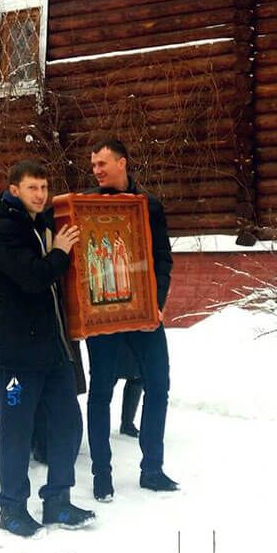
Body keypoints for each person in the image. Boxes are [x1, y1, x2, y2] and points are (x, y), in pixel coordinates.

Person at [0, 159, 95, 538]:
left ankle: (57, 500)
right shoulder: (0, 230)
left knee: (67, 421)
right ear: (14, 190)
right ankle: (11, 508)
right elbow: (31, 277)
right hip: (15, 351)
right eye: (33, 188)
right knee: (16, 429)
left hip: (49, 348)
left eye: (44, 188)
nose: (41, 195)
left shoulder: (38, 225)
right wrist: (59, 253)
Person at [84, 140, 177, 501]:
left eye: (103, 163)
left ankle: (152, 469)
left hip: (143, 313)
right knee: (101, 391)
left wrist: (156, 303)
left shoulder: (149, 206)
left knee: (159, 385)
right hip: (102, 314)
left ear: (122, 162)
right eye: (93, 165)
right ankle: (101, 475)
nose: (97, 170)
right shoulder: (85, 205)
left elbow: (162, 259)